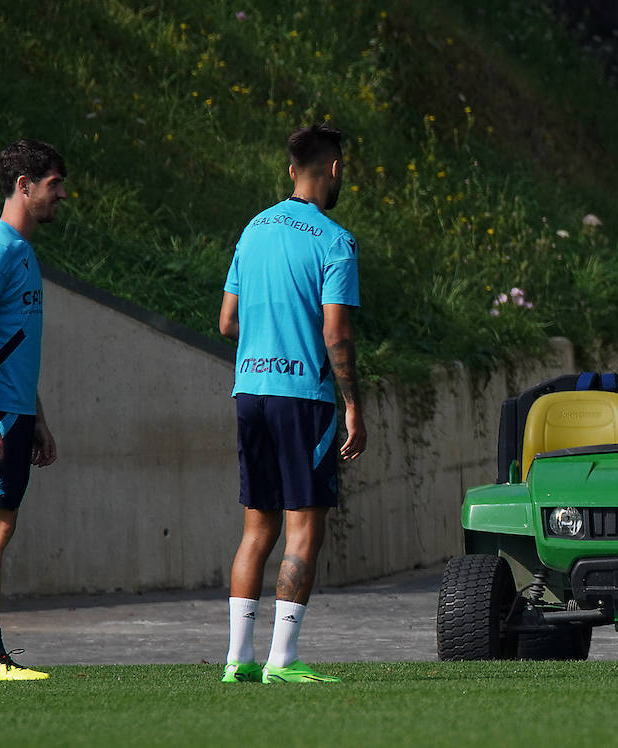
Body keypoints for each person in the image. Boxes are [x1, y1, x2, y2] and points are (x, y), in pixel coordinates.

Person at [218, 123, 365, 684]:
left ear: (290, 171)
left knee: (257, 529)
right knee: (303, 529)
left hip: (249, 392)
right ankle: (282, 660)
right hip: (302, 398)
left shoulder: (253, 229)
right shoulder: (334, 240)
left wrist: (266, 341)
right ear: (334, 169)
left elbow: (227, 322)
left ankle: (237, 659)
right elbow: (336, 332)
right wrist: (352, 405)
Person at [0, 140, 63, 682]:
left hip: (17, 413)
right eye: (54, 184)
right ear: (24, 186)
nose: (62, 194)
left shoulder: (23, 251)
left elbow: (11, 342)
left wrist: (36, 415)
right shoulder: (1, 249)